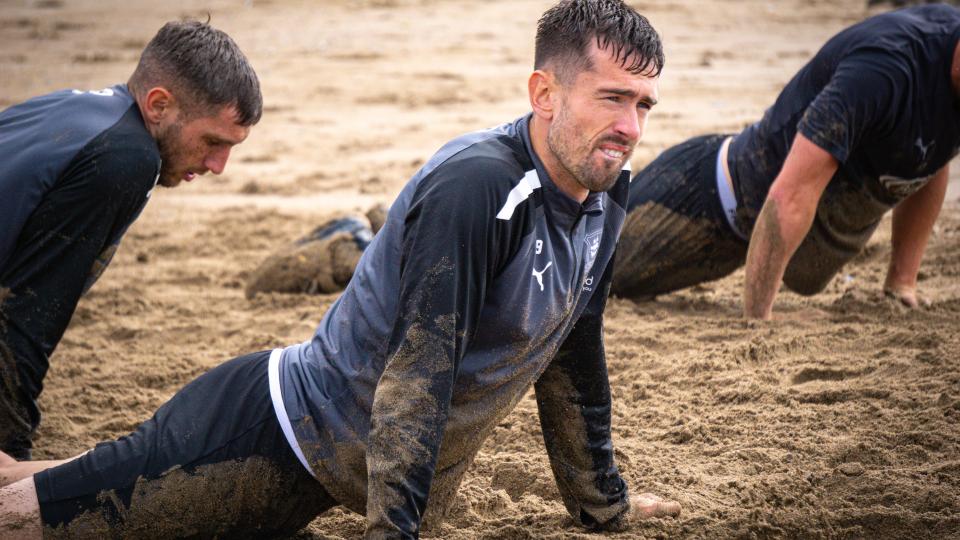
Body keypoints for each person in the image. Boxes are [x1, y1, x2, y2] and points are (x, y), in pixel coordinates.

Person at [0, 1, 682, 537]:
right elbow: (416, 381)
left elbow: (571, 350)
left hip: (332, 471)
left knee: (72, 483)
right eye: (612, 98)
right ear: (545, 93)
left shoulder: (606, 190)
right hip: (271, 436)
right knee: (33, 520)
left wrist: (603, 506)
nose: (631, 127)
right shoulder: (479, 188)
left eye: (644, 104)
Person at [0, 21, 261, 460]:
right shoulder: (126, 159)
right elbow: (20, 318)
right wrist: (10, 449)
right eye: (213, 141)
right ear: (159, 104)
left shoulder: (71, 107)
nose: (218, 165)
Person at [610, 4, 959, 319]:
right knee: (591, 274)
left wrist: (902, 283)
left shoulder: (945, 85)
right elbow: (789, 196)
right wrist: (757, 321)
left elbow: (932, 154)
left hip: (752, 238)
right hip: (706, 198)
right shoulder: (882, 69)